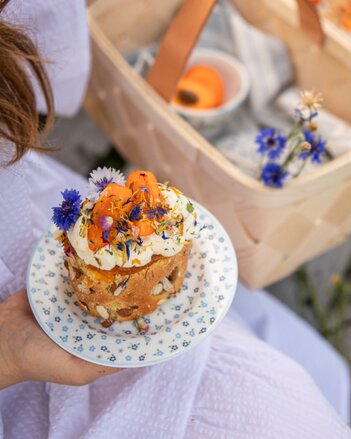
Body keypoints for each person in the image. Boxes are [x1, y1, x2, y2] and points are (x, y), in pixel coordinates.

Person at [0, 1, 350, 438]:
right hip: (20, 372)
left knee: (300, 373)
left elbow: (42, 47)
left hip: (21, 205)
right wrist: (9, 354)